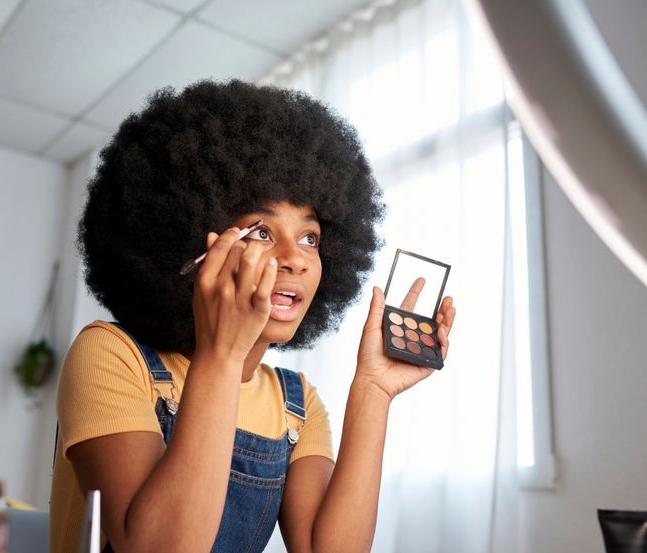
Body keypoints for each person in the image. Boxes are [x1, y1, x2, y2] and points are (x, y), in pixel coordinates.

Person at [49, 79, 456, 553]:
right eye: (262, 231)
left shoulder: (294, 405)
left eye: (310, 238)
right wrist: (223, 354)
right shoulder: (112, 355)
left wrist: (373, 391)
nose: (297, 259)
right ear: (194, 246)